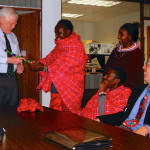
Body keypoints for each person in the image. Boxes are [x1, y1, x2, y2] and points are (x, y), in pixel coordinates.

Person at [29, 19, 88, 113]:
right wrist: (37, 63)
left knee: (68, 117)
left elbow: (65, 66)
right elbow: (50, 59)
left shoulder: (76, 46)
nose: (57, 36)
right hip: (57, 85)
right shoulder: (60, 45)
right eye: (55, 33)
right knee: (55, 114)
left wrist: (43, 67)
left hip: (71, 88)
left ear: (68, 32)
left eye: (59, 33)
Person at [96, 57, 150, 137]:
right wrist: (101, 119)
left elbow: (144, 130)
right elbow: (124, 115)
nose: (143, 67)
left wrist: (147, 128)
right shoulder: (138, 90)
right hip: (123, 130)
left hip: (140, 138)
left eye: (148, 64)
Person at [103, 22, 143, 90]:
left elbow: (135, 78)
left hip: (126, 91)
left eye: (122, 35)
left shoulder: (136, 54)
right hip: (110, 88)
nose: (118, 37)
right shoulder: (115, 51)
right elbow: (107, 69)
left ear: (130, 37)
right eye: (119, 34)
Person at [0, 7, 24, 106]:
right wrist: (9, 60)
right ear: (2, 19)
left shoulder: (13, 36)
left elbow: (17, 55)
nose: (13, 27)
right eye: (11, 24)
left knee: (12, 109)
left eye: (15, 24)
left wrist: (19, 64)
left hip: (11, 79)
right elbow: (11, 59)